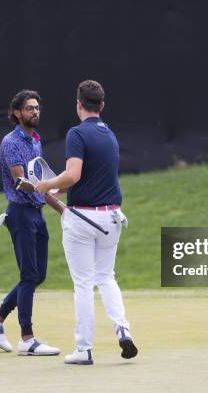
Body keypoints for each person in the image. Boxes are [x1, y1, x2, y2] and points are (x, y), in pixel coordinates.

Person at [36, 80, 138, 365]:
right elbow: (88, 178)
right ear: (102, 106)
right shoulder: (110, 135)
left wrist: (46, 185)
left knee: (83, 284)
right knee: (106, 277)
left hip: (83, 219)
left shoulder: (76, 134)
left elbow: (73, 175)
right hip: (112, 217)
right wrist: (56, 190)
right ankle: (123, 329)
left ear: (78, 104)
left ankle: (84, 349)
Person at [0, 90, 60, 356]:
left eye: (37, 107)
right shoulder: (11, 142)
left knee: (38, 275)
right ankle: (27, 338)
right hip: (20, 214)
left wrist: (59, 201)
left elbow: (39, 182)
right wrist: (50, 189)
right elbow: (21, 182)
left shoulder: (36, 141)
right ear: (17, 113)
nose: (35, 112)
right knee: (29, 276)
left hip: (36, 213)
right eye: (29, 108)